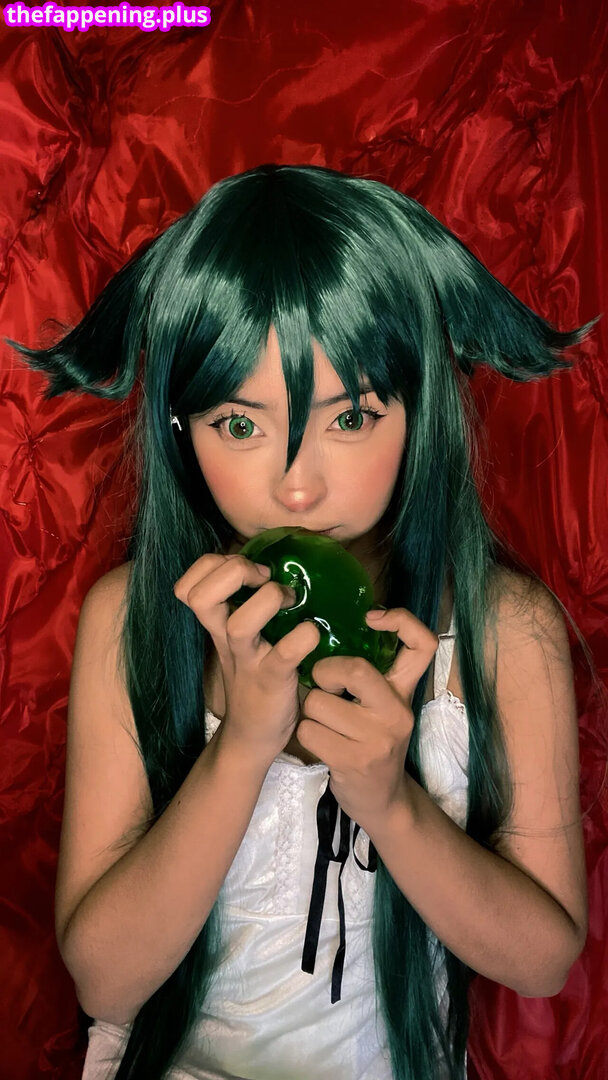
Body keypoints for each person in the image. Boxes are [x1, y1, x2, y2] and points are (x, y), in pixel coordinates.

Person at [6, 163, 601, 1080]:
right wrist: (242, 745)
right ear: (179, 429)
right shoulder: (132, 616)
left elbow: (542, 963)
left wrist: (390, 801)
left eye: (350, 417)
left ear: (419, 409)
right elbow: (106, 982)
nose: (296, 486)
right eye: (241, 426)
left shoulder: (503, 630)